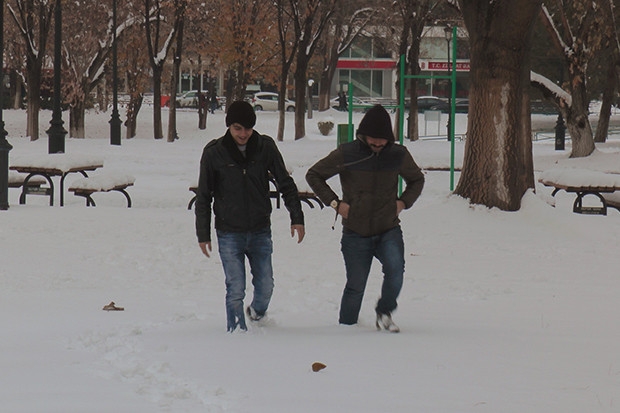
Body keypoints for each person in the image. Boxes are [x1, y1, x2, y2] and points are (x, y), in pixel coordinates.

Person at [306, 105, 424, 333]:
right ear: (363, 135)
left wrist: (402, 202)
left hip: (388, 227)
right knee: (356, 285)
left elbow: (416, 179)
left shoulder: (398, 154)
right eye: (373, 140)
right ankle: (346, 328)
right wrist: (335, 203)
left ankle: (385, 311)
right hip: (355, 231)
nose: (378, 144)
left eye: (383, 141)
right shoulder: (347, 153)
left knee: (396, 270)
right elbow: (314, 174)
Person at [195, 101, 305, 332]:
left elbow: (285, 182)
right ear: (229, 127)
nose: (243, 134)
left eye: (247, 128)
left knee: (266, 284)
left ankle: (256, 312)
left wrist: (297, 217)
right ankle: (236, 331)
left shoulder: (265, 147)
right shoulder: (214, 152)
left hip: (259, 229)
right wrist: (203, 234)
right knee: (235, 287)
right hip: (228, 231)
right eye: (237, 128)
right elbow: (204, 196)